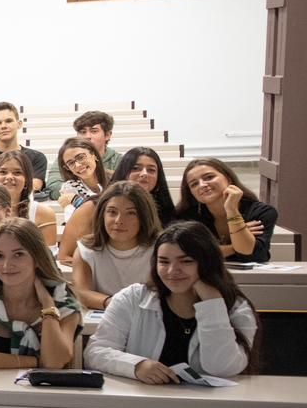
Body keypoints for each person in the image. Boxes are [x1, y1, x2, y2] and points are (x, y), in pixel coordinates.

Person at [84, 222, 258, 383]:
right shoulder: (132, 298)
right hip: (144, 405)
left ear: (207, 263)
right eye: (164, 262)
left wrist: (212, 304)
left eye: (186, 261)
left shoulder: (236, 307)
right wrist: (137, 366)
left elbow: (222, 368)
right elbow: (95, 352)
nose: (172, 271)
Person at [0, 219, 82, 369]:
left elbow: (54, 362)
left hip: (44, 391)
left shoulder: (63, 301)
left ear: (38, 258)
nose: (7, 265)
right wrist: (35, 362)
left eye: (18, 254)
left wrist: (48, 307)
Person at [72, 181, 159, 311]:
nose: (119, 221)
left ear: (144, 217)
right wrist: (113, 303)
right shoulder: (86, 251)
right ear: (102, 215)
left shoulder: (158, 250)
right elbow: (81, 292)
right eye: (112, 212)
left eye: (130, 213)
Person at [174, 157, 277, 263]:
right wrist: (234, 246)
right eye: (194, 184)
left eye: (209, 177)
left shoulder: (261, 212)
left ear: (228, 178)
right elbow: (187, 254)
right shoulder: (187, 216)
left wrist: (232, 209)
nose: (202, 185)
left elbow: (249, 253)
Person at [41, 110, 120, 200]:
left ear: (108, 135)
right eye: (83, 132)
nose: (87, 136)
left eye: (94, 131)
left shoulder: (120, 160)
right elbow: (53, 189)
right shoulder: (66, 158)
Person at [0, 149, 58, 246]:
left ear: (27, 180)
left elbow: (49, 256)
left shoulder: (44, 213)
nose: (9, 177)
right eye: (3, 172)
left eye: (17, 173)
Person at [0, 102, 47, 193]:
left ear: (19, 124)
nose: (3, 126)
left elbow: (34, 187)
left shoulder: (36, 157)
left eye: (8, 121)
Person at [110, 146, 176, 225]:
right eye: (136, 168)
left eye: (151, 170)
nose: (144, 174)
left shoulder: (167, 213)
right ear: (123, 172)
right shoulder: (97, 205)